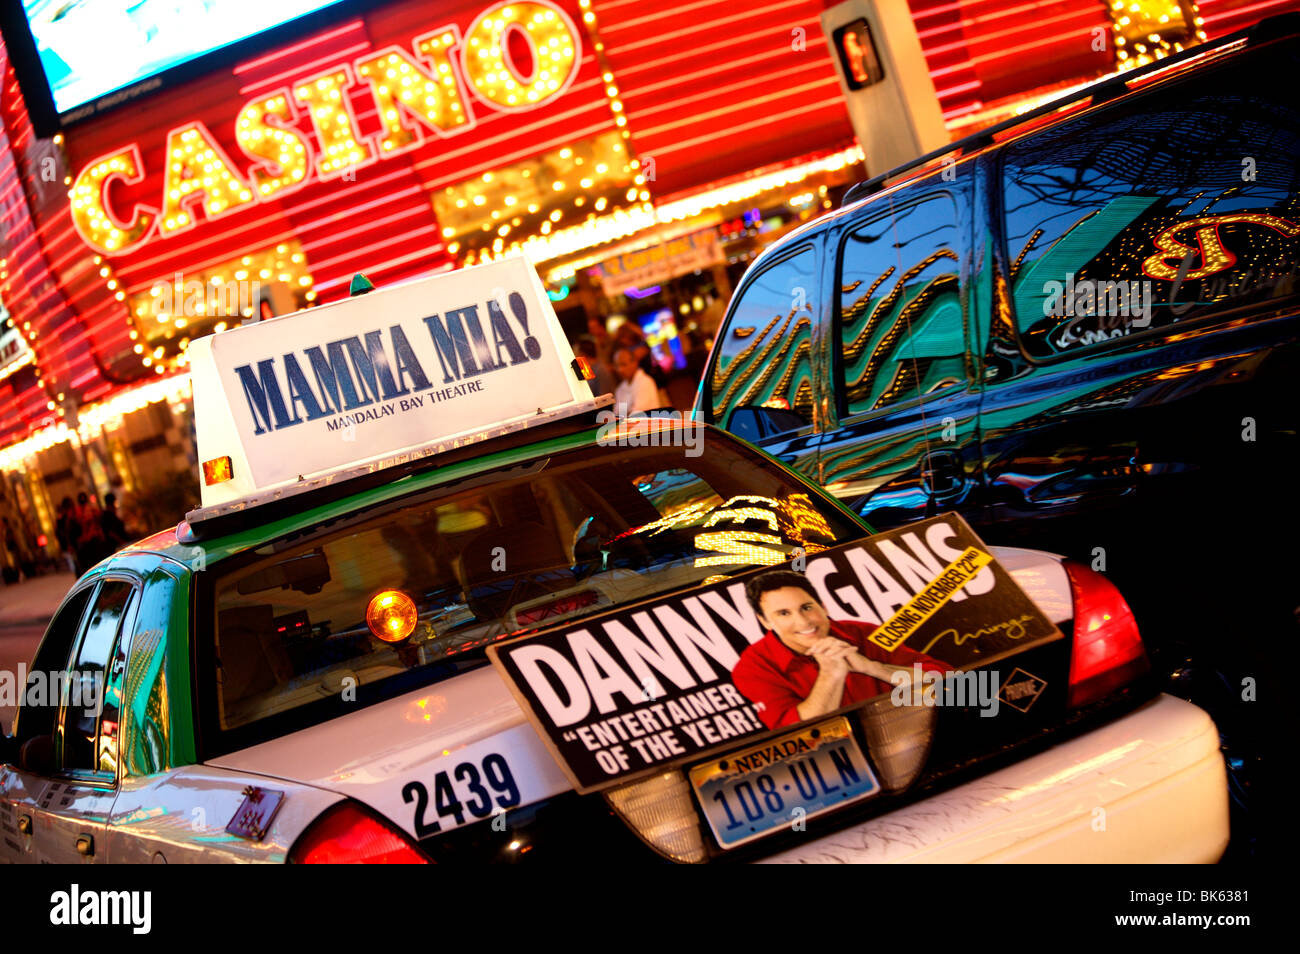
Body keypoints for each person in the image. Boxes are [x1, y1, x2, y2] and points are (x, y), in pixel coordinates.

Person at [731, 569, 952, 730]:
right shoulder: (752, 668)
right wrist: (830, 675)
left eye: (807, 608)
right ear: (765, 622)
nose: (803, 622)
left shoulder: (864, 633)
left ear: (823, 606)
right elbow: (797, 736)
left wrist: (875, 668)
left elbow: (950, 684)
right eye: (783, 613)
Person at [612, 345, 660, 416]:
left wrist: (623, 415)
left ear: (635, 363)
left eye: (623, 364)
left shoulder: (645, 382)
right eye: (617, 366)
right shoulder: (620, 389)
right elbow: (617, 415)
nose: (620, 370)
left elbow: (637, 414)